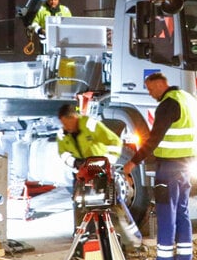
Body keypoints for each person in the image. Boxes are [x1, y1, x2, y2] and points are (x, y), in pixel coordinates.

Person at [122, 72, 197, 260]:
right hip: (186, 165)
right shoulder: (188, 99)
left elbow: (154, 138)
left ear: (160, 84)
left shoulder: (167, 104)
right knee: (182, 212)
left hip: (169, 168)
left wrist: (132, 162)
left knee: (166, 214)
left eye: (150, 88)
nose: (149, 93)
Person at [57, 104, 142, 252]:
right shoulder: (62, 134)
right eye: (63, 123)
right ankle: (83, 242)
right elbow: (63, 154)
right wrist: (75, 163)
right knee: (81, 206)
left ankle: (131, 241)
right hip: (82, 175)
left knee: (113, 205)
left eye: (67, 122)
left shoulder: (91, 125)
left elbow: (115, 143)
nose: (65, 126)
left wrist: (105, 163)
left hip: (102, 173)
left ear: (74, 117)